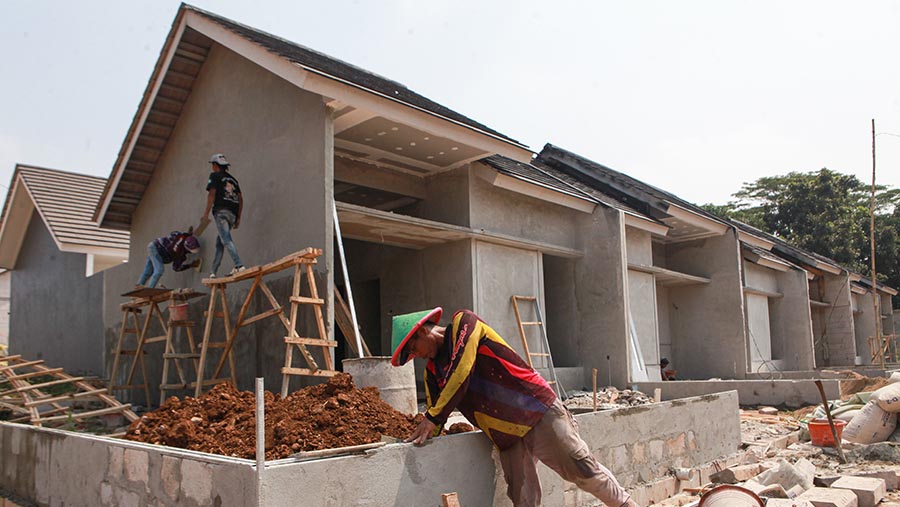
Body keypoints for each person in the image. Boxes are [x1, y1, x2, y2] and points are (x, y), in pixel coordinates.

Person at [391, 308, 638, 507]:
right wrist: (419, 432)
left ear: (423, 331)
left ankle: (624, 504)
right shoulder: (433, 373)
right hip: (505, 436)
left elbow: (462, 371)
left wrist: (433, 417)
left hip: (536, 411)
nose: (418, 356)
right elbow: (435, 416)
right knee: (523, 499)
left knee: (582, 469)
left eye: (413, 349)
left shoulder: (465, 323)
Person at [202, 153, 245, 278]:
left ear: (215, 165)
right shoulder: (234, 180)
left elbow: (212, 194)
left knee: (226, 240)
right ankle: (213, 272)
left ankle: (239, 265)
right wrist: (238, 217)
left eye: (213, 165)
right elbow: (241, 198)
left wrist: (205, 214)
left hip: (221, 212)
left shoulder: (214, 176)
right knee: (220, 242)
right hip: (232, 214)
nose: (212, 168)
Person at [135, 228, 201, 289]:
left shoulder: (181, 236)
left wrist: (189, 234)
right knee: (159, 270)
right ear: (187, 250)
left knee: (148, 271)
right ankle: (149, 290)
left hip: (153, 246)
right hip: (156, 249)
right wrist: (190, 265)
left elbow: (174, 234)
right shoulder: (179, 253)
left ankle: (138, 288)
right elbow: (176, 268)